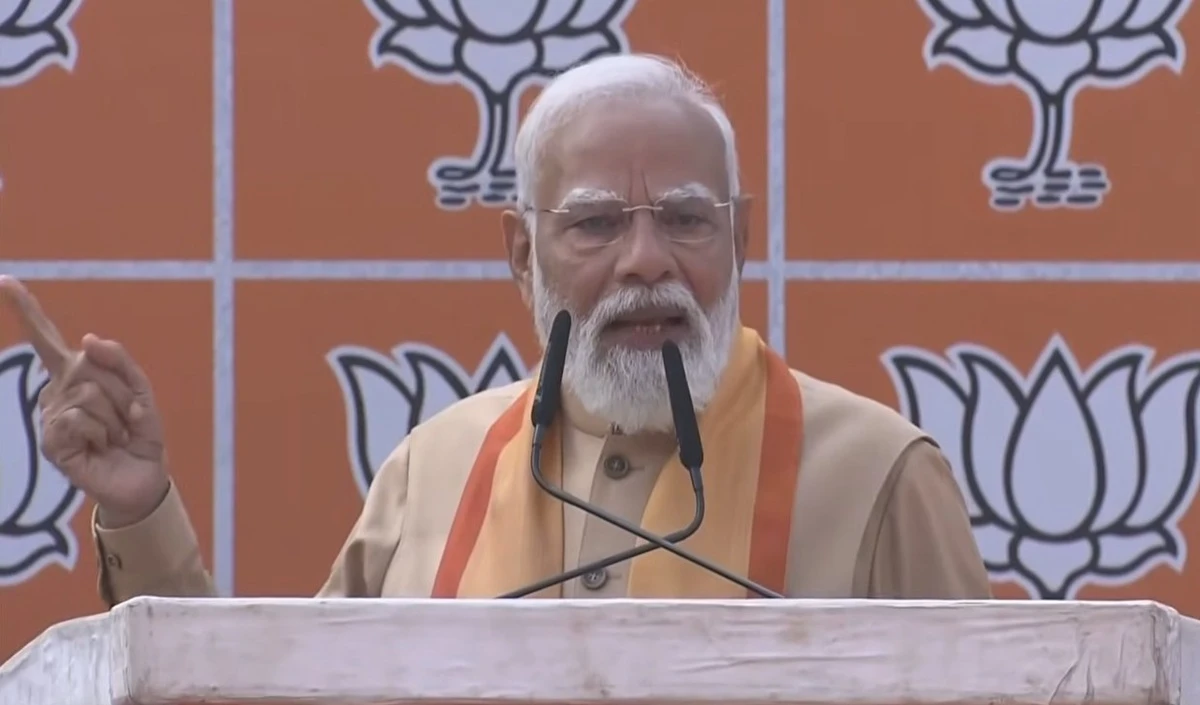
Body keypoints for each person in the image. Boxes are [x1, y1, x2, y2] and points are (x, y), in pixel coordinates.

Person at [0, 53, 991, 605]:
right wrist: (140, 510)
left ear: (741, 239)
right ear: (522, 253)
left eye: (686, 220)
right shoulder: (434, 471)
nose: (645, 260)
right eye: (596, 225)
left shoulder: (879, 476)